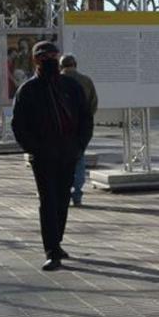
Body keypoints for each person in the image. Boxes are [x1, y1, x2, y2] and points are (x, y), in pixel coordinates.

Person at [12, 41, 93, 271]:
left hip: (68, 152)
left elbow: (86, 118)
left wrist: (79, 146)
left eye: (53, 56)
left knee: (62, 200)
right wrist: (34, 149)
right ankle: (51, 249)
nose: (50, 61)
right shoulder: (28, 90)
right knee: (47, 200)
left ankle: (57, 241)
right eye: (45, 57)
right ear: (36, 60)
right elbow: (19, 125)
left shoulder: (71, 87)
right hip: (44, 155)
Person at [60, 54, 98, 207]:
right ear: (75, 64)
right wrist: (86, 121)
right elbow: (93, 103)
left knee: (62, 162)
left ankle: (64, 191)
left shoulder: (54, 81)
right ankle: (77, 194)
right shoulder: (86, 81)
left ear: (61, 65)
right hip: (79, 128)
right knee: (79, 160)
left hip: (61, 128)